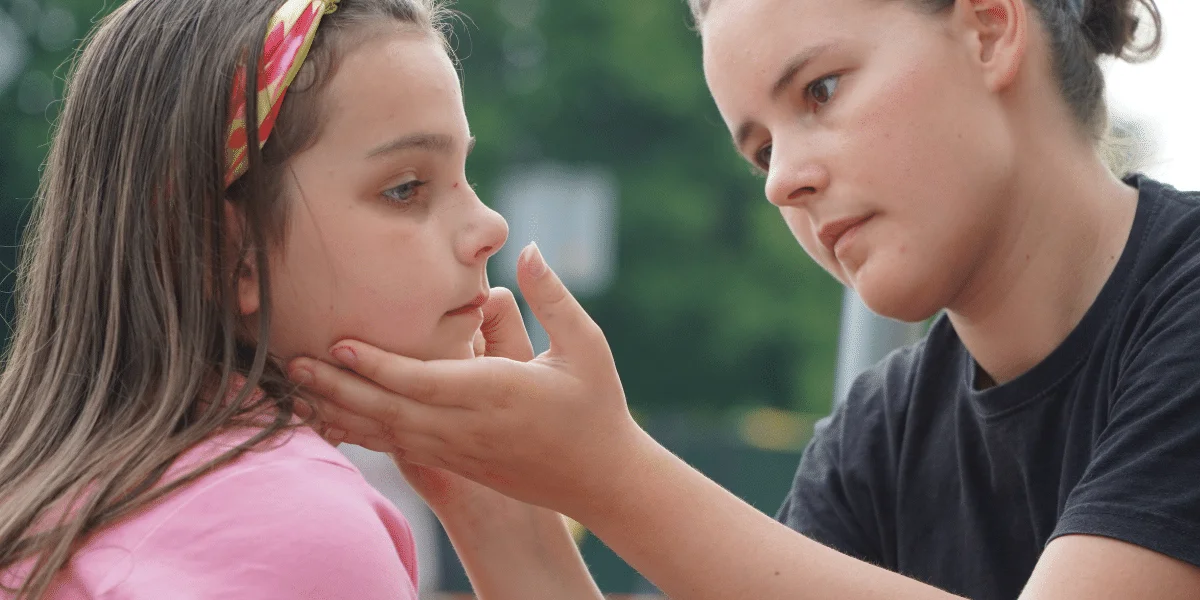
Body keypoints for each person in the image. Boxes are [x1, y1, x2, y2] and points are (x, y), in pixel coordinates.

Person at [293, 0, 1200, 598]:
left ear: (990, 26)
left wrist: (606, 471)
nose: (784, 184)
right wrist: (504, 515)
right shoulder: (873, 442)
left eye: (822, 90)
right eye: (760, 148)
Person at [0, 0, 601, 598]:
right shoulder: (299, 531)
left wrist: (496, 505)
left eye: (463, 175)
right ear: (229, 250)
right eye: (405, 188)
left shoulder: (44, 496)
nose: (490, 226)